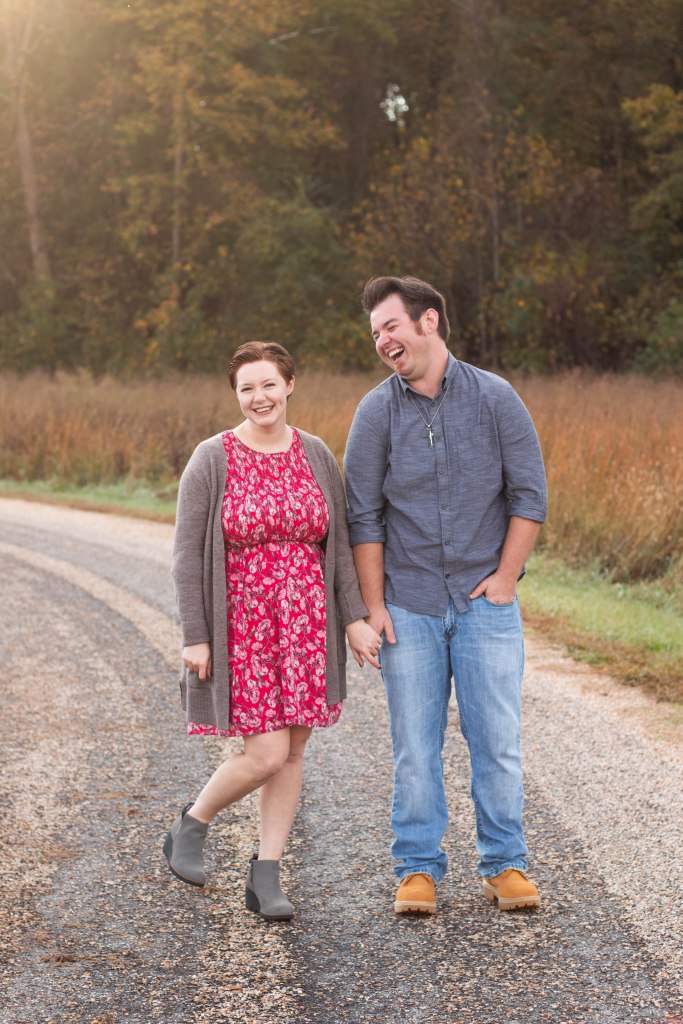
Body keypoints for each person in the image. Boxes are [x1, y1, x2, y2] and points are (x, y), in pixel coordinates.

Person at [344, 276, 547, 915]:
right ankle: (417, 869)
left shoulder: (495, 397)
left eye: (391, 326)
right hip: (408, 603)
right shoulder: (376, 412)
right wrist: (375, 606)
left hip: (485, 604)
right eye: (375, 333)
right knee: (415, 747)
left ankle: (504, 863)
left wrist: (506, 578)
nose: (383, 340)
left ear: (428, 321)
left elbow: (529, 495)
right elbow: (363, 515)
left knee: (497, 741)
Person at [164, 340, 381, 921]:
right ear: (236, 395)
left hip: (307, 625)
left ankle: (267, 875)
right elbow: (186, 555)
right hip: (246, 627)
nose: (259, 397)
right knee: (265, 753)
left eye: (268, 384)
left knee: (292, 753)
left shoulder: (316, 454)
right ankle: (191, 824)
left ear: (289, 385)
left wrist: (354, 617)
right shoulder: (213, 457)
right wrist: (196, 634)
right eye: (247, 388)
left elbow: (338, 548)